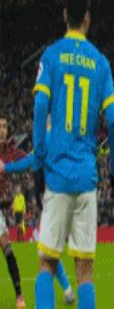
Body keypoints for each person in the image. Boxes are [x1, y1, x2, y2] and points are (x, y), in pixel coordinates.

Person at [32, 0, 114, 309]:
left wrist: (38, 164)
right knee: (85, 271)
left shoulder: (51, 56)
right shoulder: (101, 63)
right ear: (87, 18)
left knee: (47, 262)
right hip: (86, 177)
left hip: (57, 174)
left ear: (65, 14)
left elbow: (40, 108)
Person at [0, 116, 75, 304]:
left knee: (45, 251)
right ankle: (67, 291)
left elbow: (28, 161)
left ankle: (61, 292)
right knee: (47, 249)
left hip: (55, 196)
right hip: (60, 196)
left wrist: (5, 168)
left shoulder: (48, 138)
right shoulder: (60, 138)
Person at [0, 117, 26, 308]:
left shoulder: (10, 152)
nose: (3, 129)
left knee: (6, 245)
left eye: (5, 126)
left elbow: (29, 158)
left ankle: (19, 296)